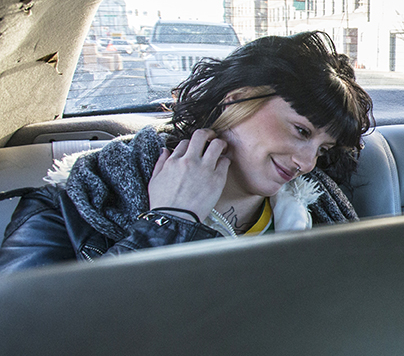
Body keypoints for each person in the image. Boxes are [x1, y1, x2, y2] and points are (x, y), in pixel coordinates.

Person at [0, 32, 373, 273]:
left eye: (322, 148)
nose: (307, 163)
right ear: (237, 99)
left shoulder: (320, 211)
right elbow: (31, 347)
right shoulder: (68, 209)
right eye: (301, 130)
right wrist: (168, 224)